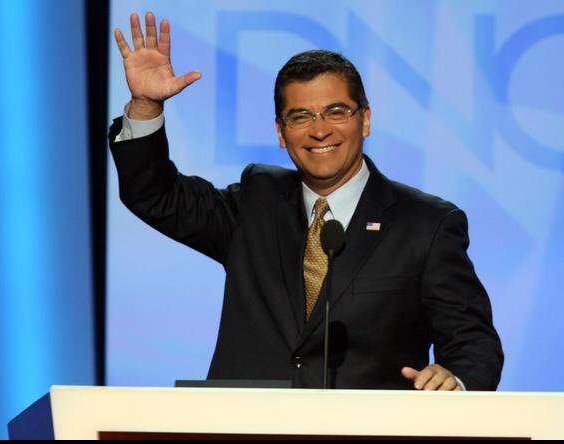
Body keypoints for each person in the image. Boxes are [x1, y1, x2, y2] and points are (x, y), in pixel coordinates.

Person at [109, 12, 503, 391]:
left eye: (336, 112)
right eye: (300, 117)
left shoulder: (426, 224)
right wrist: (146, 106)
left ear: (364, 119)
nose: (319, 131)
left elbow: (474, 344)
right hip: (247, 429)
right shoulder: (256, 201)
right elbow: (155, 195)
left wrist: (456, 380)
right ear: (281, 132)